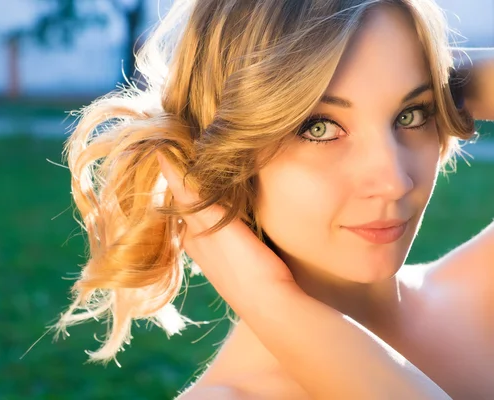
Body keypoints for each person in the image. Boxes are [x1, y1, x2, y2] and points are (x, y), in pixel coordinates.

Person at [58, 0, 493, 398]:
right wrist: (273, 306)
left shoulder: (477, 297)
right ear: (228, 153)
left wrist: (456, 84)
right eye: (318, 128)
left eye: (412, 114)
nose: (394, 181)